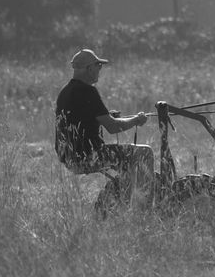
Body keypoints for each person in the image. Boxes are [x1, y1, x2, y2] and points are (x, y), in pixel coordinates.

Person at [55, 48, 155, 205]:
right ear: (89, 68)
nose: (99, 70)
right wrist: (136, 120)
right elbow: (113, 127)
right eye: (98, 66)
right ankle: (146, 204)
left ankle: (122, 200)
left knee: (127, 166)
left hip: (69, 158)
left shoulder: (65, 91)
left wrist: (106, 117)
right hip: (89, 156)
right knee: (144, 152)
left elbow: (83, 118)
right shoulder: (88, 91)